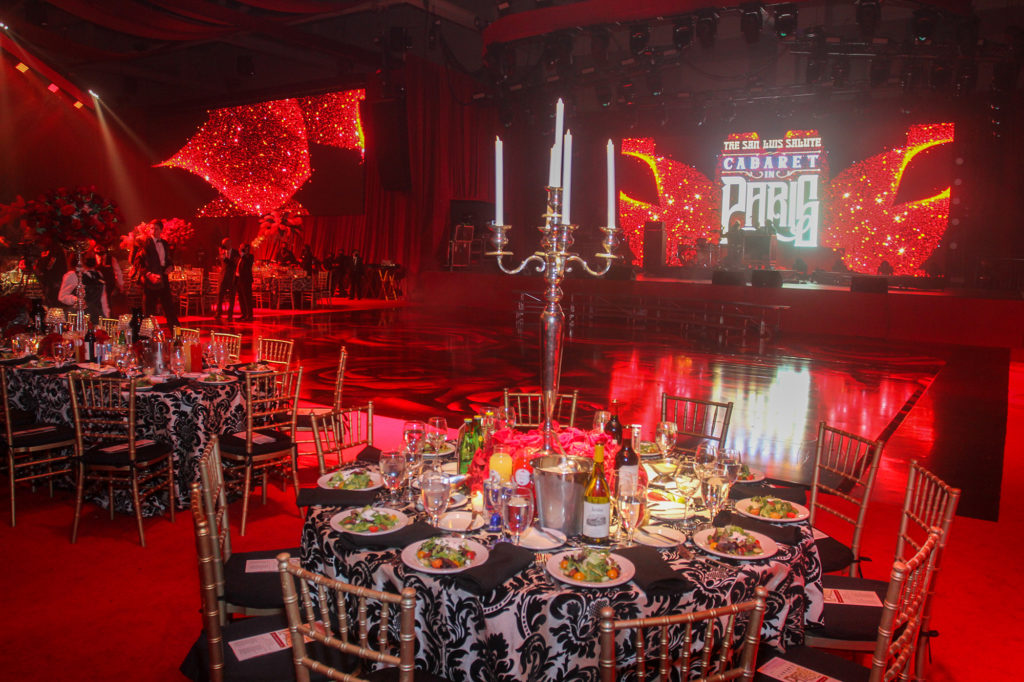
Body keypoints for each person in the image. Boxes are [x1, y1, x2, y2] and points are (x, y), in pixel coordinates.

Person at [138, 220, 180, 329]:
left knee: (169, 308)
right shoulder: (144, 243)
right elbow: (138, 263)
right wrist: (148, 275)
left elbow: (168, 259)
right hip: (150, 278)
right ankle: (146, 337)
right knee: (148, 310)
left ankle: (177, 335)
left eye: (156, 228)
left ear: (161, 230)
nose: (153, 231)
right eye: (151, 228)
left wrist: (170, 266)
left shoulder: (165, 243)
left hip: (163, 277)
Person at [58, 254, 108, 323]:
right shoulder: (72, 275)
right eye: (85, 257)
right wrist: (75, 299)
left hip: (96, 314)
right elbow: (62, 296)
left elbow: (103, 298)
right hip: (79, 316)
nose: (89, 258)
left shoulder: (98, 274)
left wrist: (106, 315)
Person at [93, 243, 125, 315]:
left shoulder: (111, 259)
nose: (99, 249)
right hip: (95, 285)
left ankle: (108, 316)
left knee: (108, 301)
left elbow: (117, 271)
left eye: (101, 247)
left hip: (108, 284)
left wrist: (121, 284)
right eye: (97, 247)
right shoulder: (92, 259)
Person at [214, 237, 239, 321]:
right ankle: (218, 313)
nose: (223, 246)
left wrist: (225, 259)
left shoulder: (236, 253)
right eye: (223, 244)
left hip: (232, 277)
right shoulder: (222, 252)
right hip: (223, 277)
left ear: (229, 243)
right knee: (220, 295)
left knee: (232, 297)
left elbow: (234, 264)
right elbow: (220, 263)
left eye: (225, 244)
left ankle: (230, 314)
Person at [235, 242, 254, 322]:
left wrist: (244, 254)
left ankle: (249, 315)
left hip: (246, 280)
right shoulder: (240, 257)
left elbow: (248, 265)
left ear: (246, 248)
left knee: (247, 298)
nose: (239, 249)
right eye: (239, 247)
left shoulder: (250, 256)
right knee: (241, 298)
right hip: (239, 279)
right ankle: (243, 314)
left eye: (241, 247)